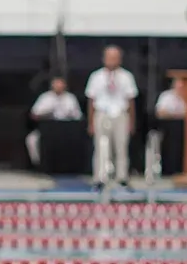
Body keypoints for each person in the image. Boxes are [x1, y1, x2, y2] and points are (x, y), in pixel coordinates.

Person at [85, 47, 137, 186]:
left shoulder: (127, 77)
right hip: (102, 113)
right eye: (109, 57)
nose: (112, 60)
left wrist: (131, 122)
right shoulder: (96, 77)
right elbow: (91, 100)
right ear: (104, 58)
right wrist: (90, 122)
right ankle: (100, 177)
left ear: (120, 59)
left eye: (115, 57)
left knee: (121, 147)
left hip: (120, 114)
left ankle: (122, 177)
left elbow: (131, 100)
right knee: (101, 147)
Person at [25, 77, 82, 167]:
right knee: (31, 140)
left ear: (65, 86)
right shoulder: (45, 97)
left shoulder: (70, 98)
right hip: (47, 129)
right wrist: (46, 113)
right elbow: (34, 114)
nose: (58, 87)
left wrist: (70, 114)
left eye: (61, 84)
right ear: (52, 85)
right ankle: (38, 165)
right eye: (56, 84)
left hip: (66, 131)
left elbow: (78, 116)